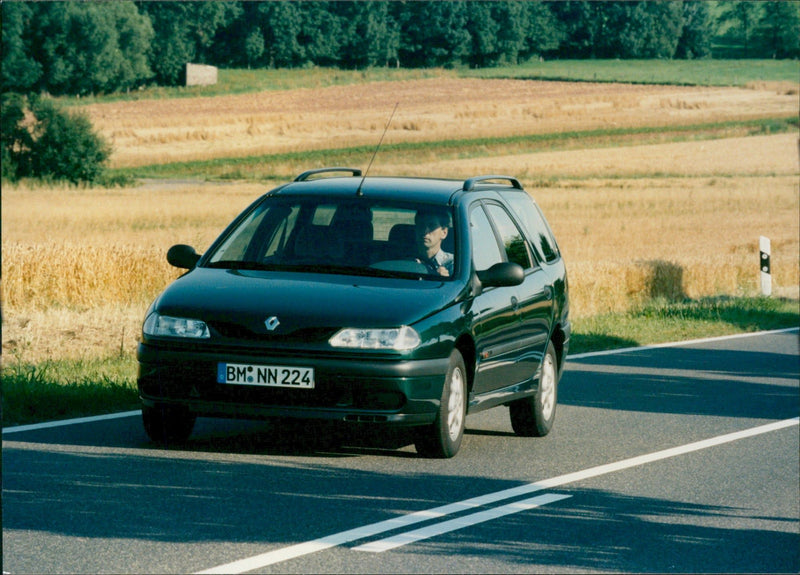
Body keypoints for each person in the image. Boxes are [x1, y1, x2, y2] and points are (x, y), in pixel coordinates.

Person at [415, 209, 454, 276]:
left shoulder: (453, 265)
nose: (425, 231)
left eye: (431, 226)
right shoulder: (402, 263)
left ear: (444, 232)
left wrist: (447, 281)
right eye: (421, 225)